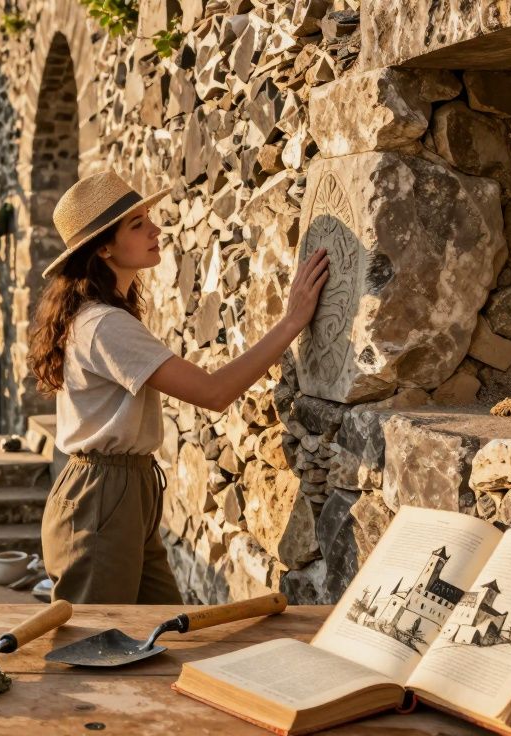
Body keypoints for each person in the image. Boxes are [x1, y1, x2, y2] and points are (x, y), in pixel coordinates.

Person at [26, 171, 329, 605]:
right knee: (96, 647)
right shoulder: (103, 324)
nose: (156, 229)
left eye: (148, 216)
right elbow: (213, 393)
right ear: (104, 247)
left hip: (125, 490)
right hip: (102, 495)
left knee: (161, 636)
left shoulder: (105, 317)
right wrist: (292, 321)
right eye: (137, 224)